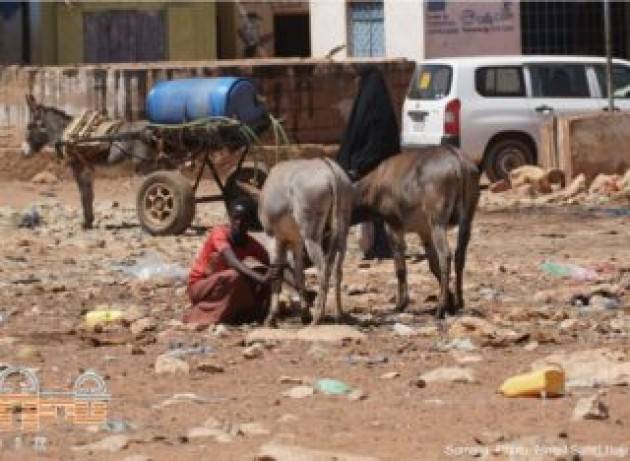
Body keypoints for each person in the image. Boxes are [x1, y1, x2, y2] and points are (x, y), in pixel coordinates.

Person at [336, 64, 401, 259]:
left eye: (359, 79)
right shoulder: (369, 103)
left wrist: (359, 163)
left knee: (378, 211)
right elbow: (354, 136)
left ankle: (380, 247)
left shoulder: (375, 108)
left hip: (377, 168)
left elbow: (379, 142)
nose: (357, 83)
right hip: (369, 166)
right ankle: (375, 246)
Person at [183, 199, 278, 326]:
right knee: (234, 276)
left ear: (249, 223)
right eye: (236, 219)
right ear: (230, 219)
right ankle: (200, 316)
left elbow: (271, 263)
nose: (238, 224)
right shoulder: (219, 233)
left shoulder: (250, 243)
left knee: (260, 274)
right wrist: (260, 278)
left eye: (243, 221)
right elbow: (232, 261)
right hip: (200, 287)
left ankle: (253, 313)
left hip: (221, 287)